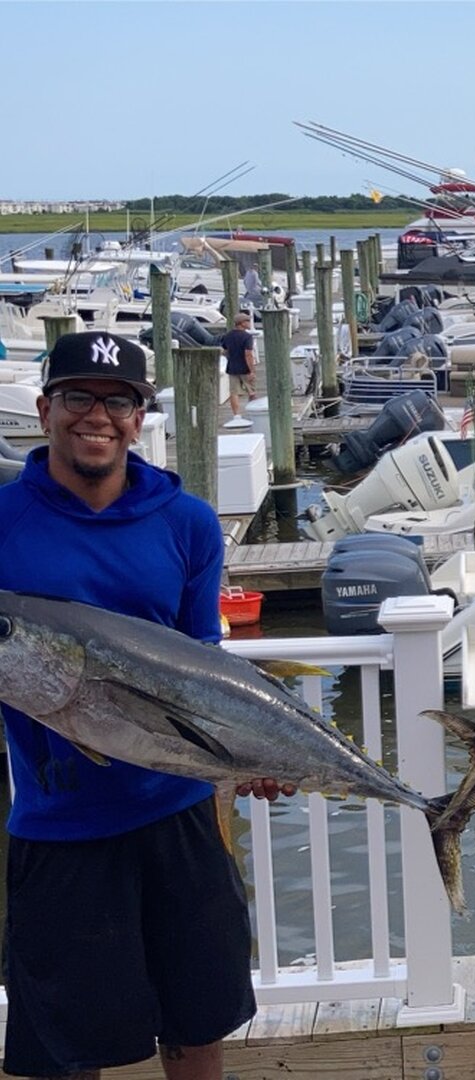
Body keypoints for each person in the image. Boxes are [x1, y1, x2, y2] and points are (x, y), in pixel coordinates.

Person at [0, 331, 294, 1080]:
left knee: (197, 1029)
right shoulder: (3, 521)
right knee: (67, 1050)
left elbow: (204, 661)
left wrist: (252, 750)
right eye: (78, 396)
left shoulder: (187, 522)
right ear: (45, 409)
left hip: (180, 814)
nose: (97, 416)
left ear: (139, 418)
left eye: (119, 401)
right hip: (59, 827)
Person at [219, 312, 256, 428]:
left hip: (232, 368)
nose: (249, 323)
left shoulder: (227, 336)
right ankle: (253, 413)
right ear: (241, 323)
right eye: (247, 321)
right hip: (245, 368)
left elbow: (224, 350)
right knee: (252, 392)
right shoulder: (247, 337)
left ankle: (236, 416)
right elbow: (248, 354)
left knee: (234, 393)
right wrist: (252, 370)